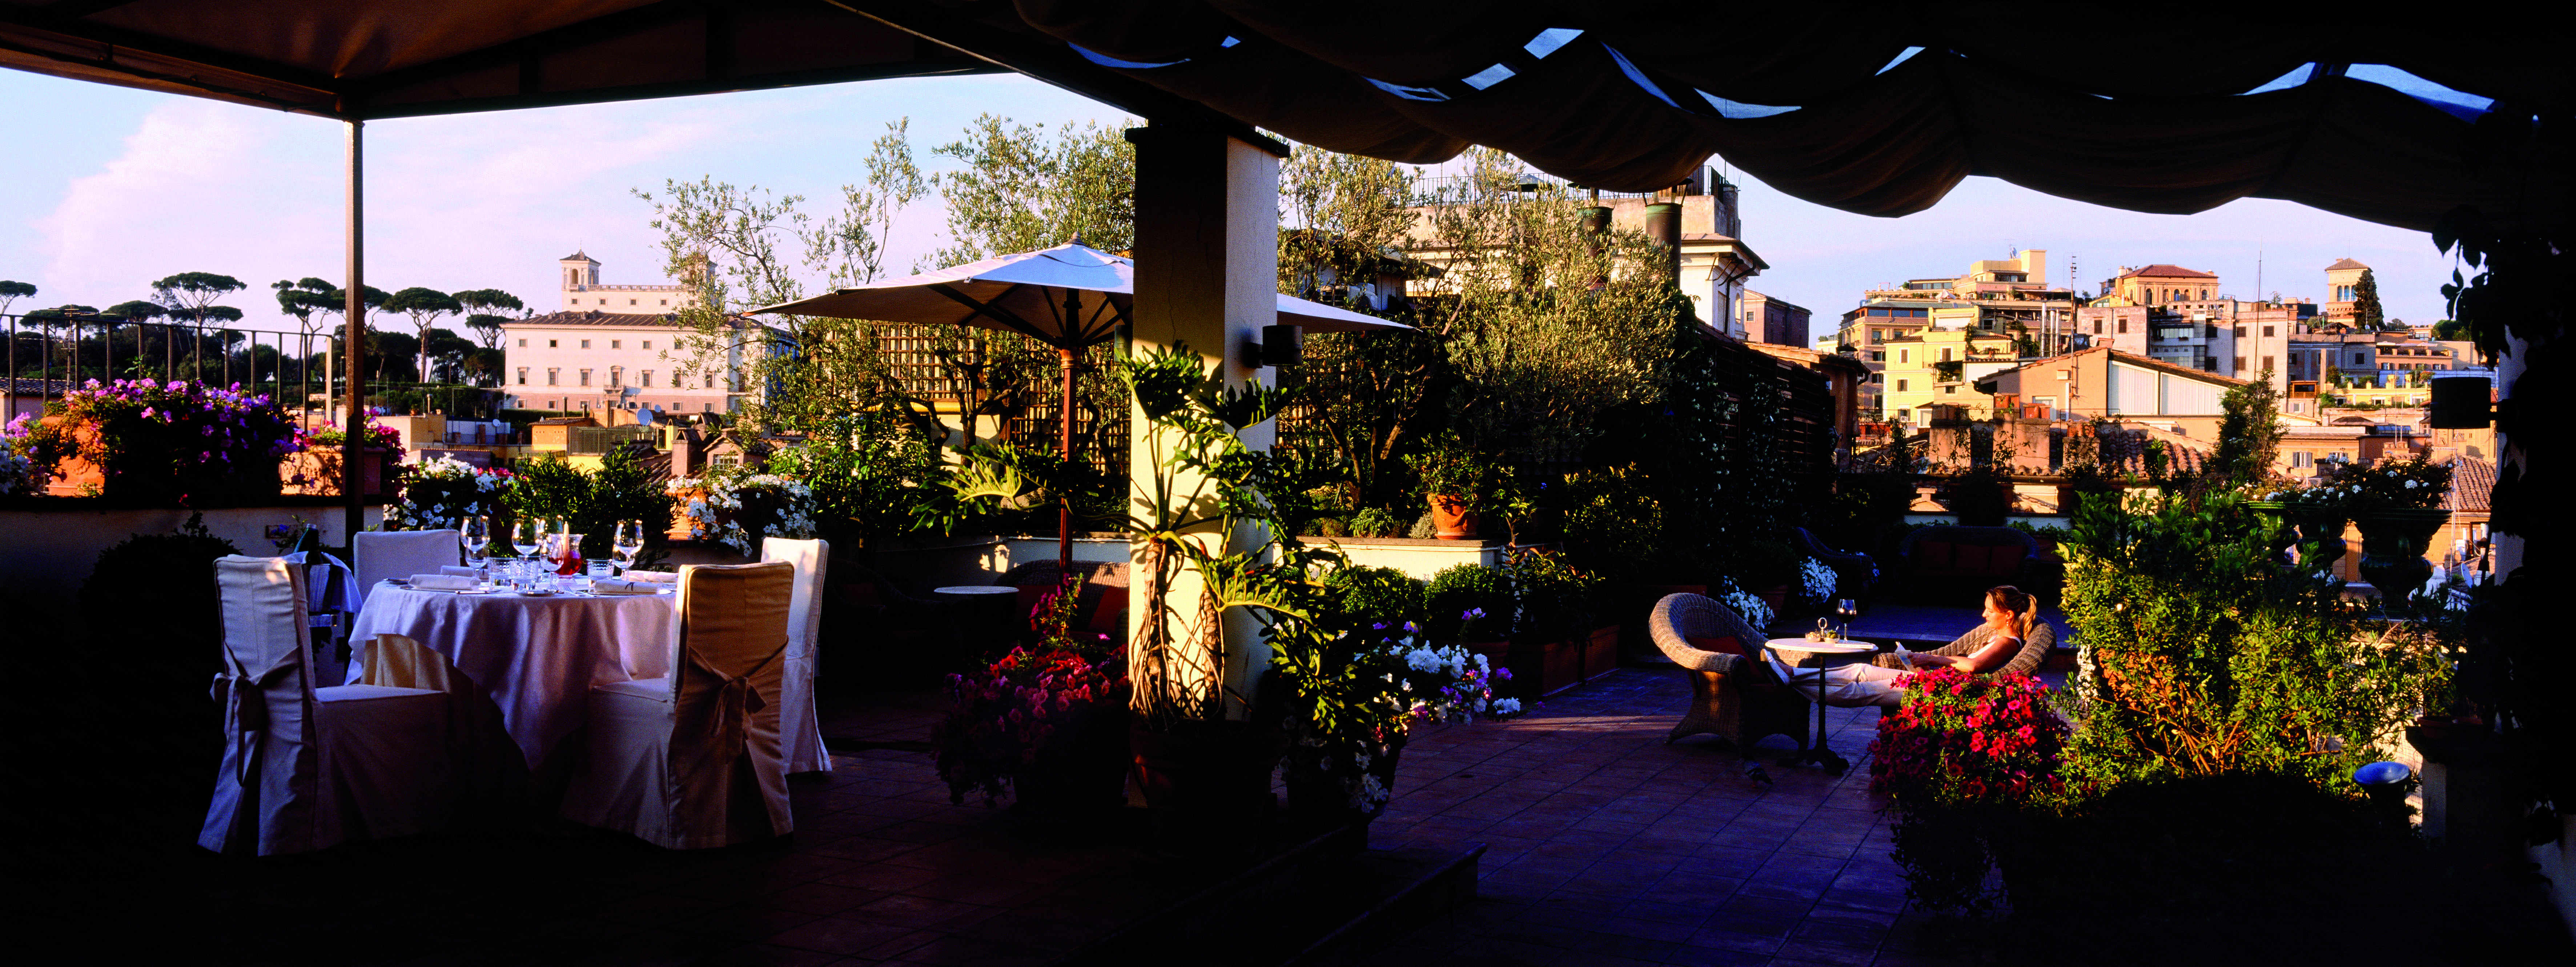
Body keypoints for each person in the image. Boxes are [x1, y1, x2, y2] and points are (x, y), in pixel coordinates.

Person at [1779, 585, 2041, 708]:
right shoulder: (1994, 635)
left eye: (1989, 611)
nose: (1983, 616)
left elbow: (1973, 666)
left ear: (2008, 615)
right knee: (1860, 670)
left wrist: (1928, 661)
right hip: (1931, 679)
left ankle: (1793, 686)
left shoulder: (2009, 642)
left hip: (1940, 691)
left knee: (1861, 690)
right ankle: (1793, 674)